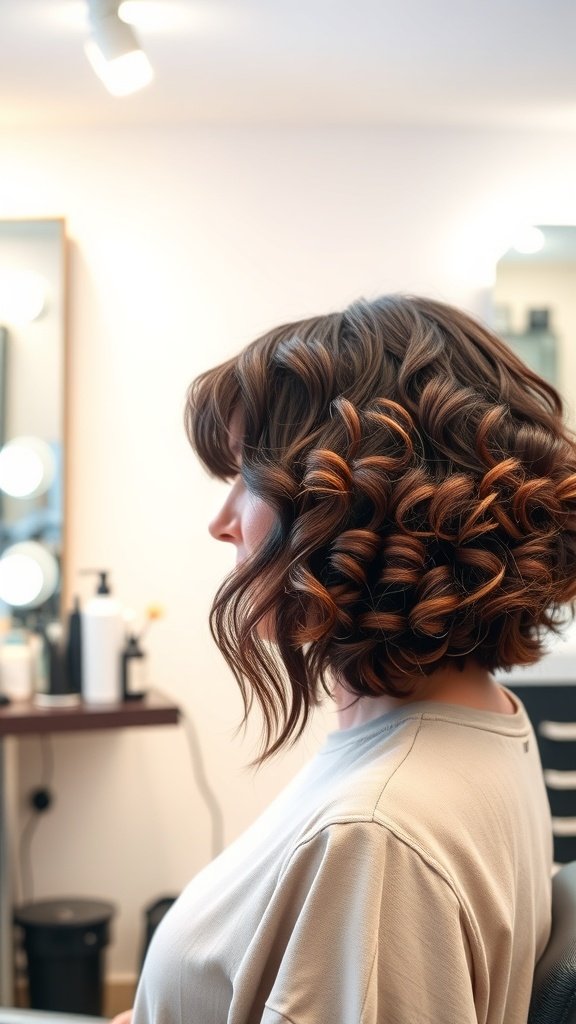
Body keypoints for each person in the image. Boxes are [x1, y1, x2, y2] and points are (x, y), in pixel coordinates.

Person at [118, 294, 576, 1023]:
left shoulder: (378, 834)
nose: (221, 521)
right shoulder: (476, 723)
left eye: (249, 477)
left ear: (362, 500)